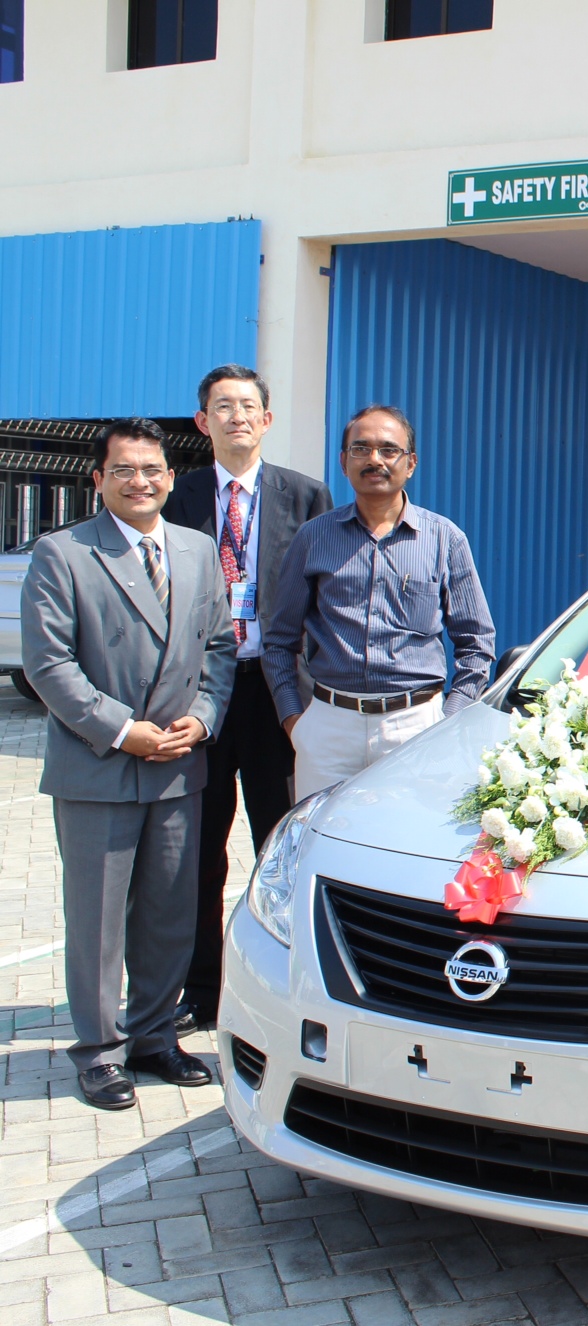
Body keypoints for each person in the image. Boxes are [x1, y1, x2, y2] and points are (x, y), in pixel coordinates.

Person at [22, 419, 236, 1109]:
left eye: (151, 470)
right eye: (123, 470)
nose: (139, 481)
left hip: (177, 764)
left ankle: (153, 1036)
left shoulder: (197, 550)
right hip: (99, 767)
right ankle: (100, 1051)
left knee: (170, 912)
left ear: (170, 478)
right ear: (99, 480)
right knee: (98, 920)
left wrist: (203, 716)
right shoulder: (63, 553)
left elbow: (220, 647)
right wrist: (122, 732)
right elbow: (49, 664)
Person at [162, 365, 332, 1033]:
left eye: (247, 406)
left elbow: (324, 595)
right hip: (201, 693)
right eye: (222, 406)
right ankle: (203, 989)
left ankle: (282, 987)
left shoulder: (305, 495)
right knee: (199, 852)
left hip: (276, 692)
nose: (236, 416)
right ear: (202, 421)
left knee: (279, 844)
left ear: (267, 419)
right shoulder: (179, 496)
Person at [264, 404, 495, 799]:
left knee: (412, 833)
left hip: (417, 727)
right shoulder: (313, 537)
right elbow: (279, 641)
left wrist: (448, 721)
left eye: (389, 450)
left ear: (411, 463)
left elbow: (477, 643)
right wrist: (294, 722)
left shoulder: (444, 539)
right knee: (321, 834)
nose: (375, 459)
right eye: (361, 448)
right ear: (343, 461)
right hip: (329, 729)